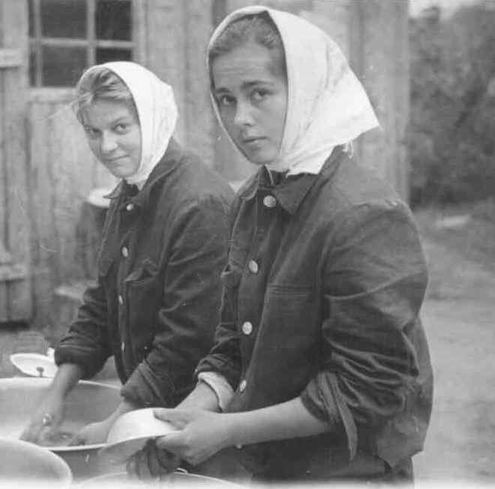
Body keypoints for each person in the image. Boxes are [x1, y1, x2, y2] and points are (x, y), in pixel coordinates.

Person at [129, 6, 433, 483]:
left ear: (308, 90)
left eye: (260, 94)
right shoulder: (253, 198)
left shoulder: (364, 214)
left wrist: (226, 431)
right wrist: (184, 417)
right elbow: (234, 342)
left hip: (349, 472)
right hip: (273, 465)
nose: (240, 119)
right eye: (226, 99)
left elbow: (367, 389)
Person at [21, 61, 234, 446]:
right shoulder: (131, 189)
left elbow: (186, 344)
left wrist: (116, 423)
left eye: (120, 128)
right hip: (147, 409)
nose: (106, 146)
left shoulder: (199, 206)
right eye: (93, 131)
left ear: (152, 120)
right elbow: (102, 304)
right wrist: (56, 392)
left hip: (191, 424)